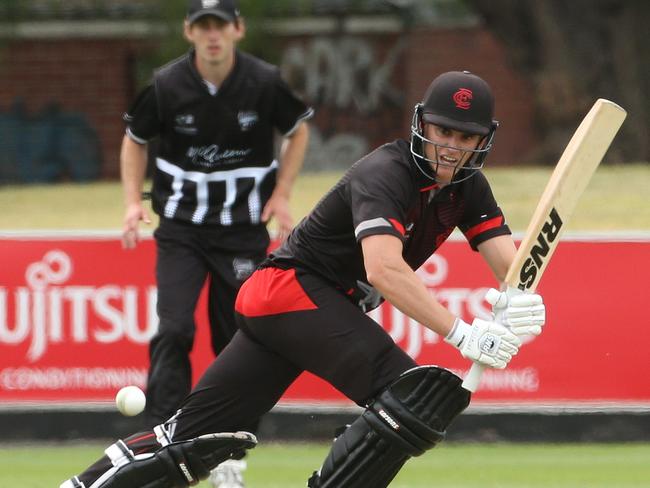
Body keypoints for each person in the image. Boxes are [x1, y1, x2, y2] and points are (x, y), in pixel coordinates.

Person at [61, 70, 546, 488]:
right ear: (422, 124)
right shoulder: (387, 172)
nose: (451, 149)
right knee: (412, 398)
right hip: (291, 292)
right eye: (444, 131)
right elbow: (384, 268)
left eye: (465, 138)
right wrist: (461, 333)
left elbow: (512, 264)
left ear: (483, 140)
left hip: (293, 310)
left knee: (187, 437)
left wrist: (522, 302)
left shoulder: (469, 187)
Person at [118, 0, 311, 486]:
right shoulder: (166, 86)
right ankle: (157, 445)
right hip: (181, 231)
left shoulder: (264, 82)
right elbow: (134, 139)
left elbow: (298, 130)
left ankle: (229, 452)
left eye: (220, 26)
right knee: (175, 329)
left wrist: (283, 194)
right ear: (189, 32)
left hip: (242, 232)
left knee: (238, 341)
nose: (212, 36)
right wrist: (130, 203)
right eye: (203, 26)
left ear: (237, 30)